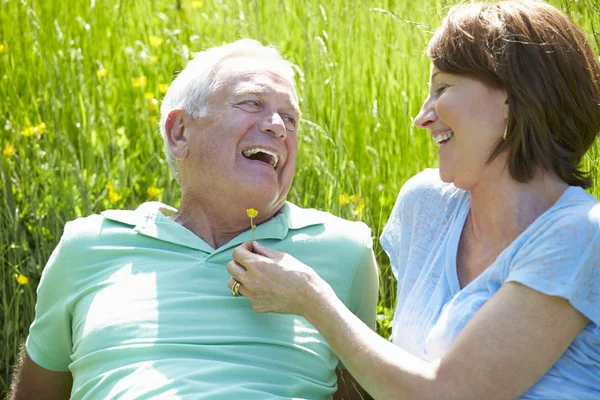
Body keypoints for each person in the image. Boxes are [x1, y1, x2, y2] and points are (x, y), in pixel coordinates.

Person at [227, 2, 600, 399]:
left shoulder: (581, 234)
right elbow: (393, 369)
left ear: (515, 96)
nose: (421, 117)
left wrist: (311, 299)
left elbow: (450, 393)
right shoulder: (426, 207)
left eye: (442, 88)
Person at [9, 39, 379, 400]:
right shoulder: (87, 246)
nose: (279, 127)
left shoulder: (343, 249)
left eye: (291, 118)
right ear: (180, 133)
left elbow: (357, 393)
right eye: (252, 102)